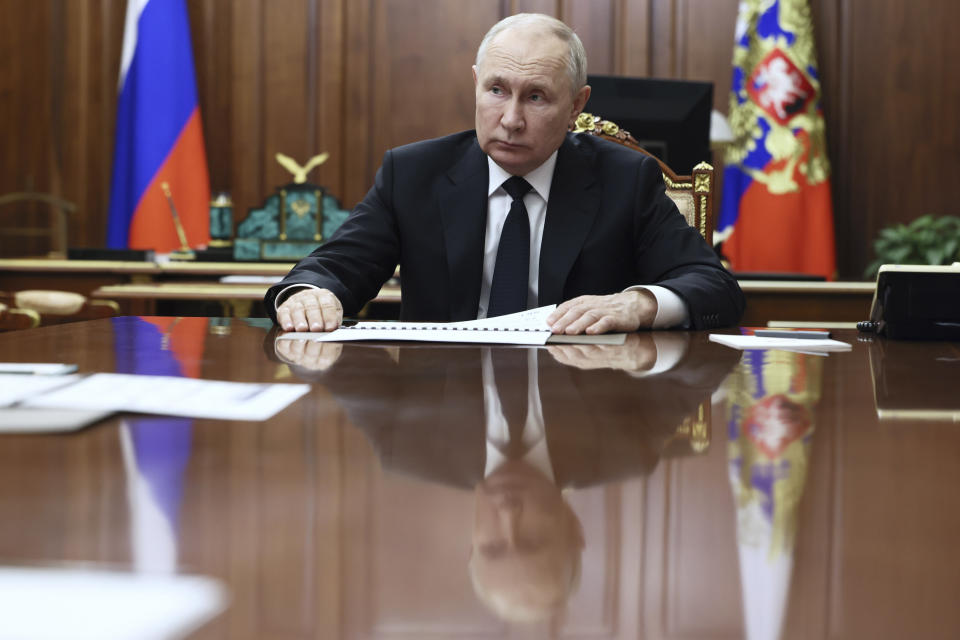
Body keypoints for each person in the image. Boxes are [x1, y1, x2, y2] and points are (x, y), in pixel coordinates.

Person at [266, 13, 744, 334]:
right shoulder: (413, 173)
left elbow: (714, 286)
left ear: (577, 104)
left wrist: (635, 304)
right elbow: (332, 268)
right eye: (497, 90)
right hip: (442, 414)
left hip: (584, 410)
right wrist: (310, 294)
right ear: (476, 84)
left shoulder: (625, 178)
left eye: (536, 97)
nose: (511, 119)